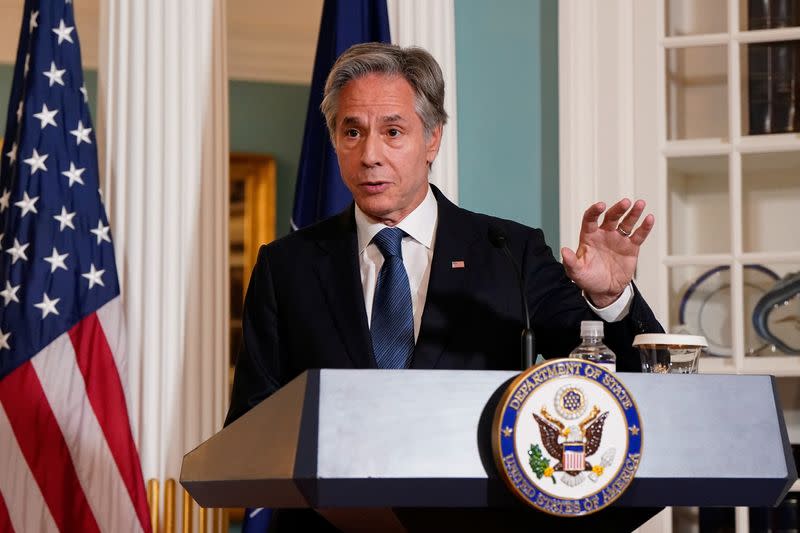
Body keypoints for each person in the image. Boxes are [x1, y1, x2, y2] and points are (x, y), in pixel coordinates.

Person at [225, 42, 663, 531]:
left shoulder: (507, 253)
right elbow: (250, 427)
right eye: (352, 131)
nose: (370, 155)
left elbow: (630, 386)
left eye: (393, 132)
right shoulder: (287, 266)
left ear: (432, 139)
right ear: (333, 140)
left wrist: (610, 299)